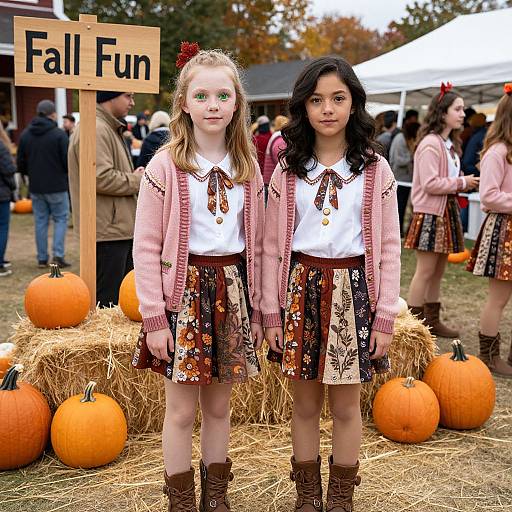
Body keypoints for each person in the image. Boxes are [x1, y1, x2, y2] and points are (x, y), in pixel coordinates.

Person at [262, 56, 400, 512]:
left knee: (345, 407)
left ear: (354, 103)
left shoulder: (375, 170)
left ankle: (341, 498)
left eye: (338, 98)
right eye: (316, 100)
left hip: (352, 292)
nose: (327, 109)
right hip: (301, 287)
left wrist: (383, 316)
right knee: (303, 405)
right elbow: (269, 245)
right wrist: (271, 310)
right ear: (302, 107)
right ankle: (307, 497)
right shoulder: (287, 170)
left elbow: (387, 248)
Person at [131, 45, 264, 511]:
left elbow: (261, 247)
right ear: (184, 102)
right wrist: (154, 318)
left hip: (231, 289)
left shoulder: (248, 169)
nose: (212, 105)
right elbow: (146, 246)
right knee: (181, 409)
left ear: (236, 104)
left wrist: (261, 309)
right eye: (202, 95)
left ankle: (216, 497)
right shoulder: (165, 167)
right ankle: (181, 500)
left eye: (222, 95)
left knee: (219, 407)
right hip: (183, 297)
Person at [405, 84, 479, 337]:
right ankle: (413, 327)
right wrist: (462, 182)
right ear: (442, 112)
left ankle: (432, 321)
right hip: (429, 214)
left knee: (437, 272)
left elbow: (444, 178)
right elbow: (430, 183)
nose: (462, 114)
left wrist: (463, 180)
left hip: (444, 212)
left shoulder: (447, 143)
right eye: (457, 109)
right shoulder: (430, 144)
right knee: (425, 271)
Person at [68, 91, 144, 306]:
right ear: (110, 96)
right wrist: (138, 180)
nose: (132, 101)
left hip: (114, 229)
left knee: (119, 303)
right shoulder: (95, 128)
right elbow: (99, 178)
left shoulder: (104, 126)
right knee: (106, 305)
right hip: (106, 232)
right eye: (128, 96)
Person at [466, 84, 512, 377]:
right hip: (504, 229)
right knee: (498, 298)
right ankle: (489, 356)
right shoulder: (497, 152)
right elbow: (490, 196)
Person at [17, 99, 71, 268]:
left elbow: (20, 162)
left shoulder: (25, 134)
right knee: (61, 219)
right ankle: (58, 255)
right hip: (57, 185)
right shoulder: (59, 135)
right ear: (53, 114)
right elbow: (66, 161)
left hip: (36, 186)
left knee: (40, 221)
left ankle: (42, 258)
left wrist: (29, 174)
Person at [389, 121, 420, 236]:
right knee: (399, 206)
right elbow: (398, 160)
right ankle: (397, 231)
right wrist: (412, 156)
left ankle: (401, 230)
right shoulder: (400, 139)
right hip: (399, 178)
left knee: (402, 206)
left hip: (406, 178)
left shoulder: (404, 138)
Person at [0, 123, 16, 276]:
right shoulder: (1, 147)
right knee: (2, 227)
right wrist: (12, 187)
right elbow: (9, 169)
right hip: (1, 194)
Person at [262, 115, 288, 200]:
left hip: (269, 181)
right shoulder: (280, 140)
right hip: (274, 183)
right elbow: (283, 163)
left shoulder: (275, 137)